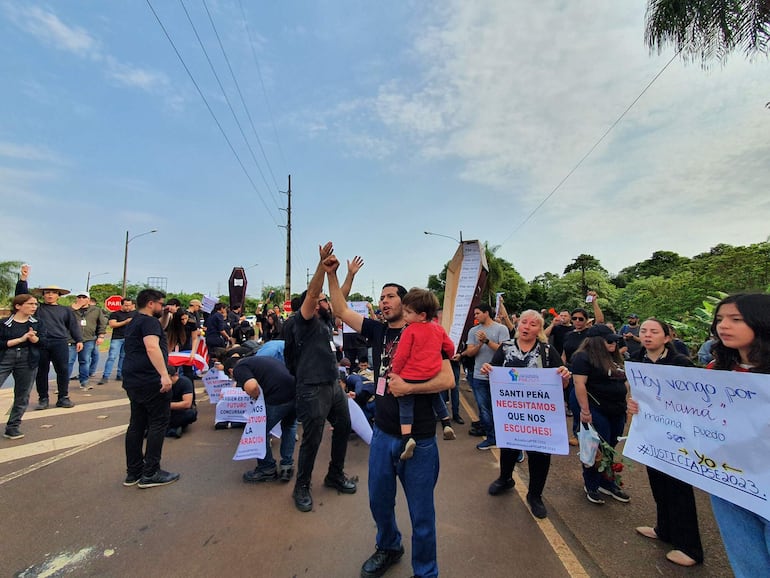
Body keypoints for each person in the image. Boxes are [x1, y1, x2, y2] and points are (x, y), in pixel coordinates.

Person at [325, 254, 454, 578]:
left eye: (390, 296)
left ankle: (426, 572)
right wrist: (334, 274)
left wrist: (408, 387)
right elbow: (340, 309)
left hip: (419, 440)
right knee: (379, 503)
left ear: (406, 302)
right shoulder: (377, 330)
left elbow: (448, 380)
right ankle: (389, 546)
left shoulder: (429, 333)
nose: (383, 302)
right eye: (381, 298)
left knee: (422, 515)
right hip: (382, 434)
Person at [480, 310, 571, 519]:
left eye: (532, 324)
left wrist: (565, 376)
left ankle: (535, 495)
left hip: (539, 415)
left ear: (539, 329)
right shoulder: (505, 348)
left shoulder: (547, 351)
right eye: (523, 322)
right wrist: (487, 368)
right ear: (518, 324)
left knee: (539, 454)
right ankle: (505, 479)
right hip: (511, 412)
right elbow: (493, 370)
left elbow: (562, 383)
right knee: (509, 447)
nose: (526, 327)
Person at [628, 318, 703, 567]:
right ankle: (664, 530)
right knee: (658, 483)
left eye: (654, 331)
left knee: (679, 488)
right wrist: (632, 403)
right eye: (643, 331)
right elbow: (637, 393)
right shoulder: (638, 360)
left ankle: (690, 548)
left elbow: (697, 399)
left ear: (667, 337)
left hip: (678, 436)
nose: (647, 335)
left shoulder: (680, 363)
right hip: (651, 433)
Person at [288, 243, 356, 513]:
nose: (328, 301)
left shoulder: (326, 320)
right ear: (314, 304)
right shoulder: (302, 321)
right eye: (323, 300)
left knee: (343, 427)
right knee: (312, 440)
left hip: (332, 385)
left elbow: (341, 297)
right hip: (311, 389)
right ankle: (301, 486)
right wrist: (321, 265)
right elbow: (315, 292)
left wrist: (349, 275)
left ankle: (334, 474)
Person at [706, 293, 770, 575]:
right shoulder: (714, 369)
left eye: (736, 319)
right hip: (728, 480)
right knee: (746, 562)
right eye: (720, 319)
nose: (724, 326)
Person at [121, 288, 179, 489]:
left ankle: (133, 471)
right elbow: (152, 346)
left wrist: (165, 315)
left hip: (133, 379)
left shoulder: (136, 321)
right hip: (150, 380)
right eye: (161, 304)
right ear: (151, 303)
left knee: (136, 425)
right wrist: (164, 375)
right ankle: (151, 472)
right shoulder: (148, 322)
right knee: (158, 423)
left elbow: (158, 329)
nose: (163, 307)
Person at [389, 288, 456, 460]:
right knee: (435, 397)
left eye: (408, 312)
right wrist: (447, 356)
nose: (404, 315)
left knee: (405, 405)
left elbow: (401, 355)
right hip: (431, 373)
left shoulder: (409, 330)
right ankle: (446, 423)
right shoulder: (438, 329)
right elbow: (449, 347)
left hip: (410, 375)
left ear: (422, 315)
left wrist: (395, 373)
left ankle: (407, 438)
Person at [571, 323, 630, 505]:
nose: (614, 344)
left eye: (615, 340)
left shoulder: (616, 358)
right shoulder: (583, 357)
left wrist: (627, 404)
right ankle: (592, 484)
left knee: (611, 445)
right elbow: (579, 384)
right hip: (597, 409)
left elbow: (625, 382)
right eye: (609, 340)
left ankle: (608, 482)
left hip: (617, 409)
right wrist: (585, 411)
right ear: (597, 342)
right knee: (596, 448)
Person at [226, 354, 298, 483]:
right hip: (295, 393)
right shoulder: (260, 360)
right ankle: (287, 466)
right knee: (289, 426)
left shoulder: (239, 368)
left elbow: (252, 386)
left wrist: (256, 397)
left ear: (231, 371)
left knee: (259, 431)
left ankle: (267, 468)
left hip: (278, 397)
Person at [461, 303, 510, 450]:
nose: (475, 316)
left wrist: (488, 341)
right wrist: (480, 344)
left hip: (499, 376)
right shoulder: (473, 331)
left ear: (486, 313)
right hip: (479, 375)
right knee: (484, 409)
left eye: (477, 313)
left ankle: (506, 440)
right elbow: (470, 352)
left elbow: (504, 351)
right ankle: (491, 437)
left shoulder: (501, 329)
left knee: (501, 409)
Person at [26, 283, 82, 409]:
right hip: (40, 342)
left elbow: (73, 326)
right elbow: (22, 296)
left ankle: (63, 397)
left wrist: (79, 340)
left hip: (60, 342)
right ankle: (43, 399)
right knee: (41, 371)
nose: (50, 295)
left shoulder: (65, 310)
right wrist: (23, 279)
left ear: (59, 296)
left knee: (62, 370)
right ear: (43, 295)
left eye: (53, 292)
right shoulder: (37, 309)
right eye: (47, 292)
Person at [1, 294, 47, 439]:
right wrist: (19, 340)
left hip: (28, 359)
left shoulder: (38, 323)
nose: (34, 307)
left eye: (35, 304)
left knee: (22, 394)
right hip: (5, 357)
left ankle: (13, 426)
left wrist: (35, 339)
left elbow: (44, 343)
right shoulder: (4, 323)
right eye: (30, 304)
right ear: (18, 306)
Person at [68, 291, 107, 390]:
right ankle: (63, 383)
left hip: (88, 339)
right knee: (68, 361)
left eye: (84, 297)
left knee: (84, 361)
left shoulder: (96, 310)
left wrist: (101, 336)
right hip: (71, 339)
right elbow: (63, 319)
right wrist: (73, 308)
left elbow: (102, 323)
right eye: (79, 297)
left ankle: (84, 382)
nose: (81, 299)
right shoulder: (70, 309)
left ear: (88, 300)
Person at [99, 297, 136, 384]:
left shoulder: (135, 314)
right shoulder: (115, 314)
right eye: (126, 305)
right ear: (122, 305)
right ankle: (105, 376)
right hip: (117, 338)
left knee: (123, 357)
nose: (128, 307)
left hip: (129, 338)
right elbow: (112, 324)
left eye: (129, 305)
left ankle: (120, 374)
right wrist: (125, 322)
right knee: (112, 357)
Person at [165, 366, 197, 438]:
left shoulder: (185, 382)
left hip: (178, 410)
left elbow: (187, 404)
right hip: (164, 412)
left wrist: (166, 405)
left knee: (191, 414)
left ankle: (168, 429)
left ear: (175, 375)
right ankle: (172, 429)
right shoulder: (160, 383)